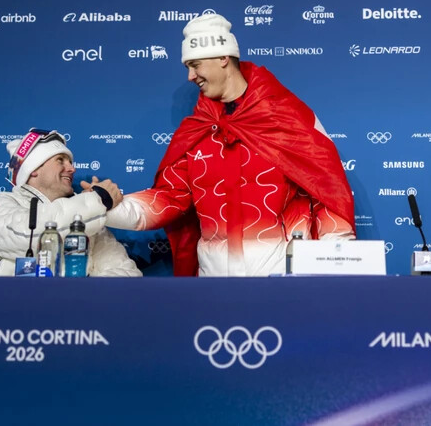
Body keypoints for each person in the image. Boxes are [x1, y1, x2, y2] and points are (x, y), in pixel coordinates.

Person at [106, 14, 355, 277]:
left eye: (195, 64)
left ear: (223, 57)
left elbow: (327, 193)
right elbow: (168, 198)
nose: (190, 76)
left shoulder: (287, 117)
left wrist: (337, 266)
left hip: (284, 287)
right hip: (212, 288)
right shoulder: (197, 129)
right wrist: (105, 208)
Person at [0, 128, 142, 277]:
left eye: (71, 162)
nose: (72, 168)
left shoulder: (87, 222)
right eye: (60, 160)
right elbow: (30, 235)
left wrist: (76, 297)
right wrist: (99, 199)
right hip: (2, 313)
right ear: (33, 169)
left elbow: (126, 274)